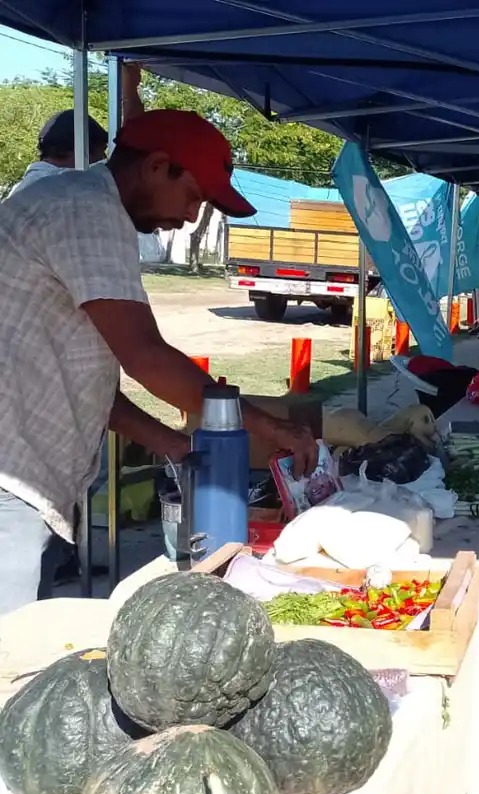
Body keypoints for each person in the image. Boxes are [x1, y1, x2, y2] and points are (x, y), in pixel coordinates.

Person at [0, 108, 318, 617]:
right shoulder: (86, 212)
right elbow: (146, 356)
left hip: (25, 473)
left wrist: (172, 443)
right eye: (193, 196)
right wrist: (268, 427)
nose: (191, 216)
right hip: (9, 477)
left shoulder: (82, 207)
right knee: (11, 643)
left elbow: (83, 381)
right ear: (155, 167)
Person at [6, 64, 144, 200]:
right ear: (81, 150)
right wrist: (130, 90)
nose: (103, 158)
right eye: (101, 150)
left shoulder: (29, 186)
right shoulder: (63, 188)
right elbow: (131, 146)